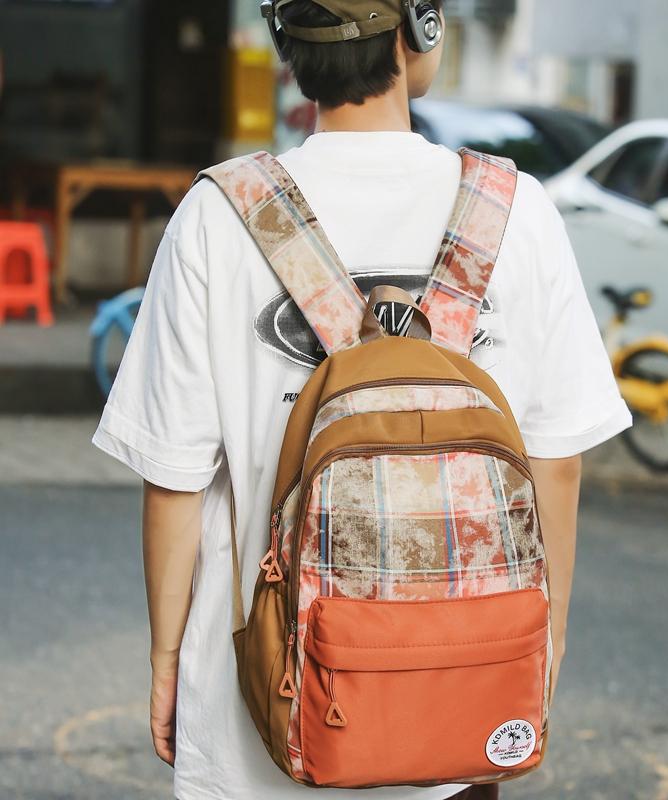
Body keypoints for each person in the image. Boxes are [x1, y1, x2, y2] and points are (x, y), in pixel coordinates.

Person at [91, 1, 633, 798]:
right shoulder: (517, 212)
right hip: (462, 704)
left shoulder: (218, 214)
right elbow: (556, 462)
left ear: (287, 44)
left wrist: (167, 658)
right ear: (421, 28)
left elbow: (173, 481)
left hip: (262, 714)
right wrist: (542, 643)